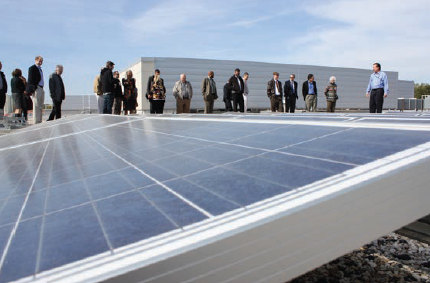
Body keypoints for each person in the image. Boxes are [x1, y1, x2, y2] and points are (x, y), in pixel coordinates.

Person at [27, 56, 45, 124]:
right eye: (39, 61)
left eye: (41, 61)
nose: (40, 62)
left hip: (41, 88)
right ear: (36, 60)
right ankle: (36, 121)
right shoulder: (32, 68)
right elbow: (30, 79)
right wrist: (34, 88)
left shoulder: (40, 69)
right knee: (36, 105)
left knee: (40, 105)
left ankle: (39, 120)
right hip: (37, 88)